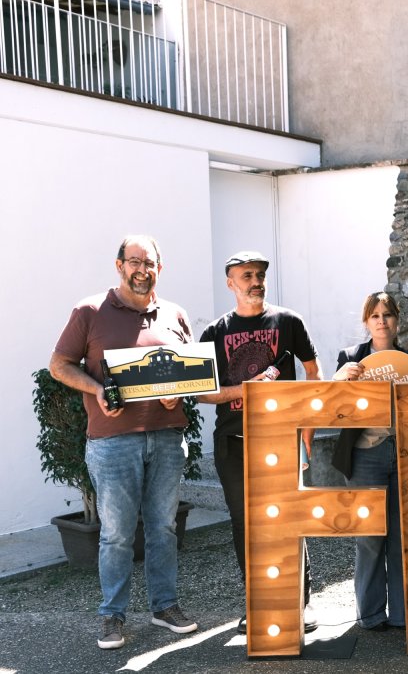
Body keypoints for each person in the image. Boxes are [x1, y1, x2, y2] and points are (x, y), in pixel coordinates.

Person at [50, 235, 198, 649]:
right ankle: (112, 616)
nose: (141, 270)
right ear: (119, 266)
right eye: (134, 262)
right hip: (113, 441)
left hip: (167, 437)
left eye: (149, 262)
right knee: (115, 533)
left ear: (159, 268)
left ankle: (164, 606)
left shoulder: (175, 314)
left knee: (164, 528)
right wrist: (97, 389)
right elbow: (59, 365)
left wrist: (179, 390)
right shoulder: (90, 310)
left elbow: (190, 370)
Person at [197, 251, 322, 634]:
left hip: (283, 436)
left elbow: (314, 376)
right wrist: (245, 390)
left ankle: (299, 603)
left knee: (288, 518)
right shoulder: (214, 332)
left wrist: (308, 436)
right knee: (245, 524)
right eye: (246, 275)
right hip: (232, 441)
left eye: (260, 274)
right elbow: (201, 393)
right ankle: (257, 602)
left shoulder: (289, 322)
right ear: (230, 283)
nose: (255, 281)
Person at [331, 291, 408, 632]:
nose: (382, 321)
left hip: (403, 453)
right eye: (375, 316)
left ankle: (400, 614)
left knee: (402, 536)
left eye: (387, 315)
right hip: (364, 454)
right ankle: (370, 615)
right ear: (366, 322)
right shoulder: (350, 358)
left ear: (397, 320)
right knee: (369, 537)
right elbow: (332, 407)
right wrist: (340, 379)